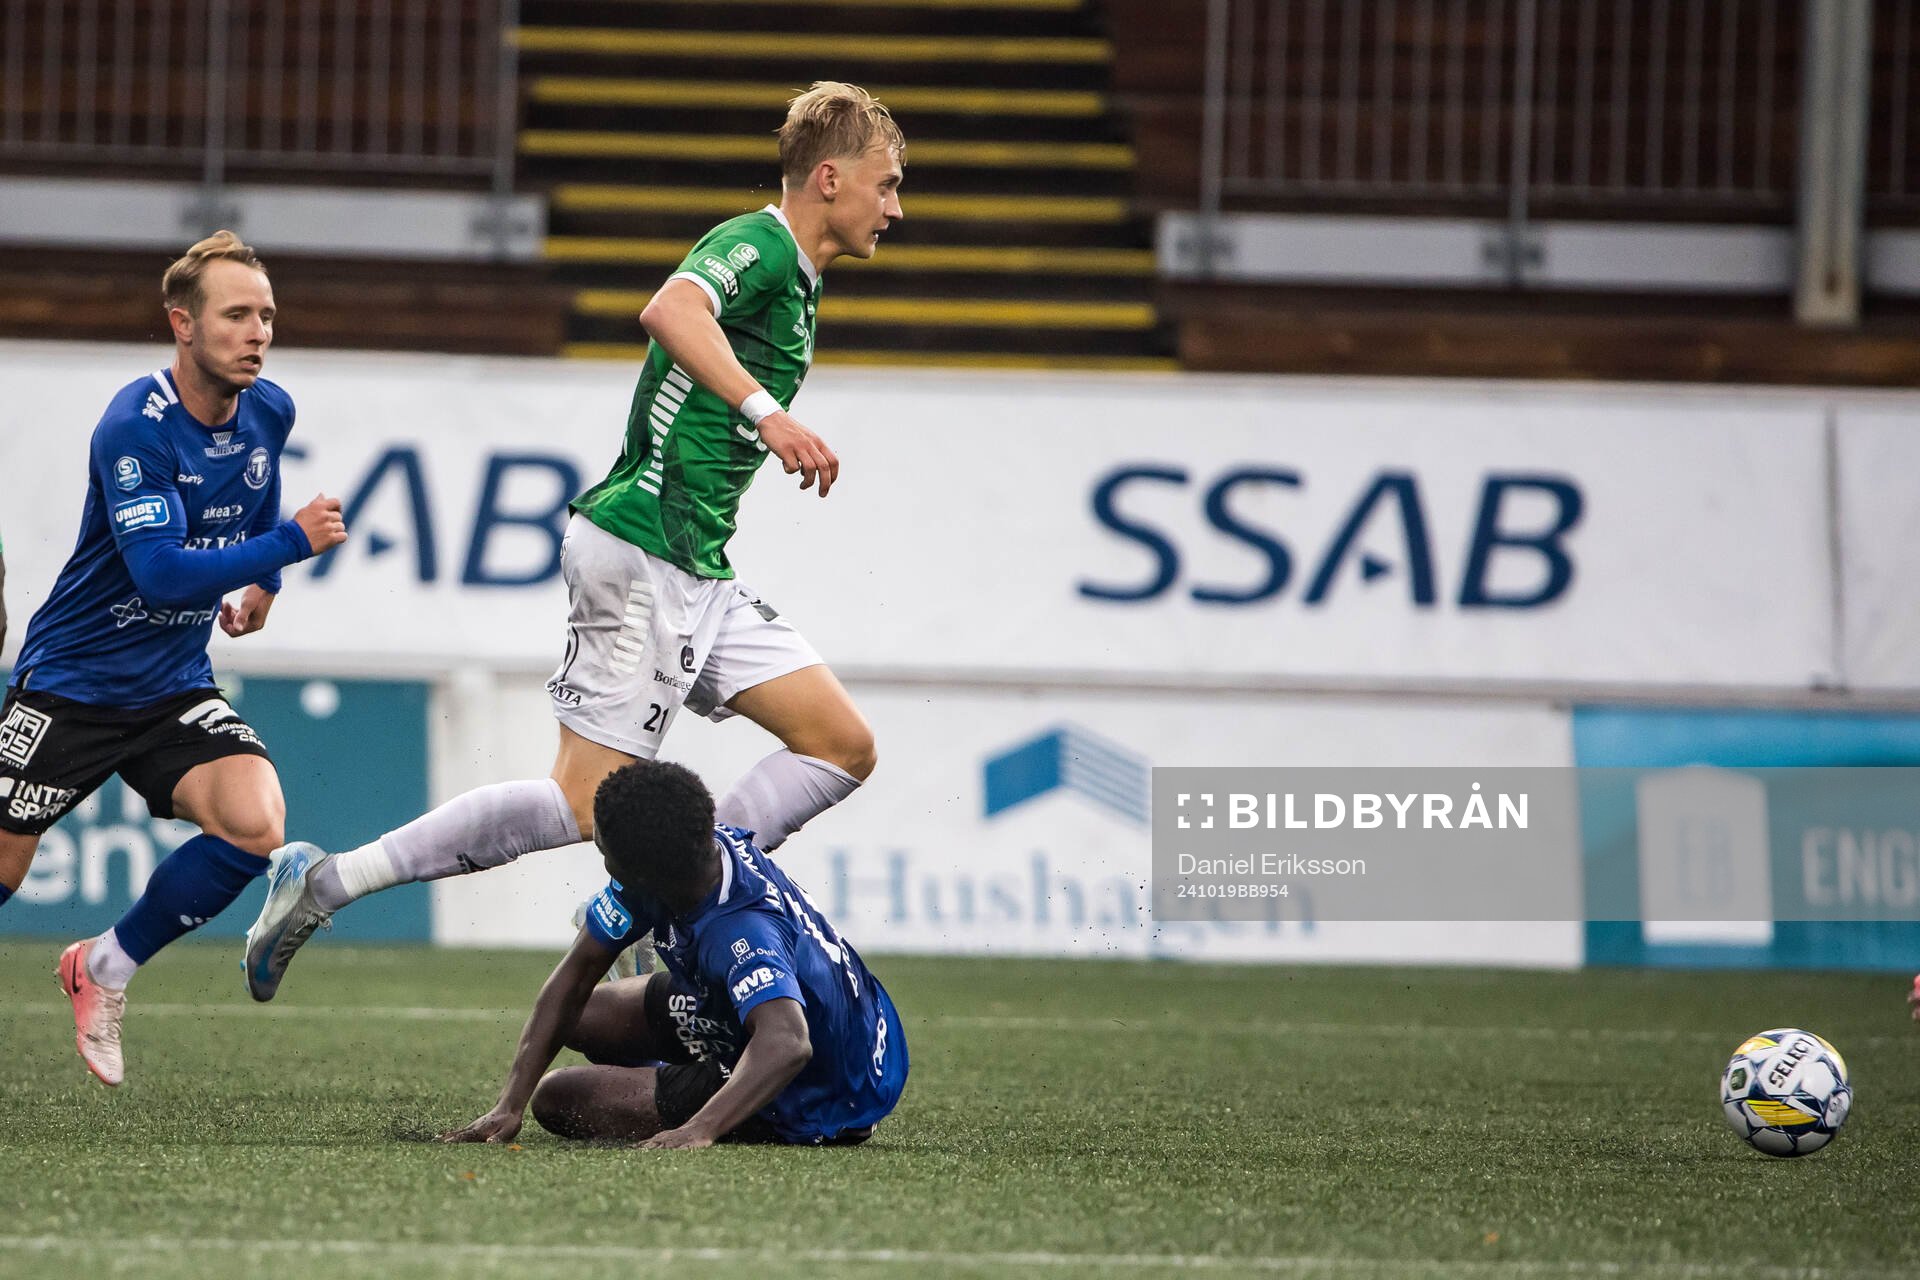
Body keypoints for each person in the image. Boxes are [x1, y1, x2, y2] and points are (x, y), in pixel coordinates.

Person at [243, 81, 907, 999]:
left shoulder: (799, 280)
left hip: (697, 570)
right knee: (586, 803)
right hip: (639, 552)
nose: (896, 207)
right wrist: (767, 414)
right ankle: (326, 882)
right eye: (887, 184)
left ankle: (670, 905)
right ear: (830, 179)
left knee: (841, 744)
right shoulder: (754, 244)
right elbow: (671, 312)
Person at [0, 231, 347, 1085]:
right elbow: (157, 575)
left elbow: (255, 499)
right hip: (72, 684)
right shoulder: (134, 426)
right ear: (182, 325)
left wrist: (264, 576)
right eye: (236, 315)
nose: (258, 331)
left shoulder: (269, 409)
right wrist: (292, 544)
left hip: (171, 688)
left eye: (266, 314)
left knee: (256, 823)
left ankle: (104, 969)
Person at [436, 759, 906, 1148]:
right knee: (584, 1012)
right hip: (744, 1010)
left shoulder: (739, 930)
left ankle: (697, 1086)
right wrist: (507, 1105)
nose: (601, 858)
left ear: (643, 874)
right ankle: (678, 1071)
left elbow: (788, 1042)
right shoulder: (690, 850)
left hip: (815, 1090)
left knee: (557, 1099)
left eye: (606, 853)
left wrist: (698, 1129)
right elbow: (576, 976)